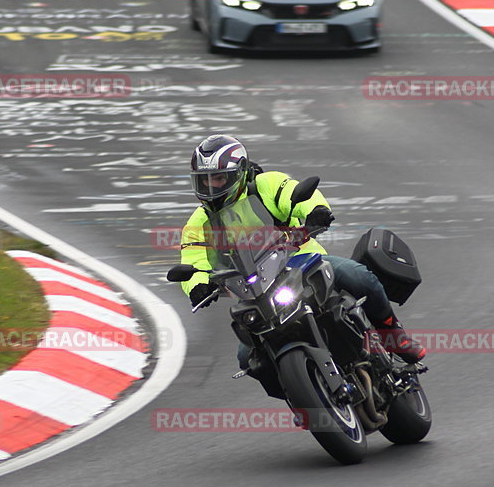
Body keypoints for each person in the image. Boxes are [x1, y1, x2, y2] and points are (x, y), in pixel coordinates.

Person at [178, 134, 426, 374]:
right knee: (248, 358)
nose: (211, 186)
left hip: (300, 262)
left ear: (240, 172)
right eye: (205, 180)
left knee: (357, 275)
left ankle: (394, 335)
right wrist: (198, 285)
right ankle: (301, 403)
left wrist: (316, 211)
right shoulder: (198, 223)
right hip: (254, 289)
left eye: (219, 178)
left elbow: (296, 194)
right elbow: (193, 261)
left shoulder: (266, 185)